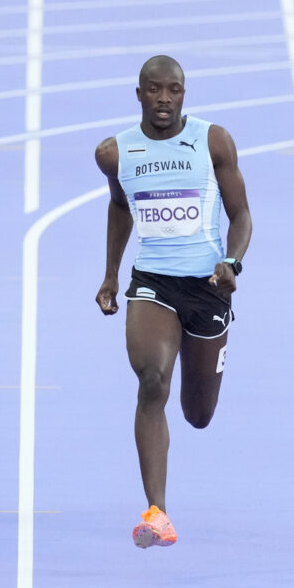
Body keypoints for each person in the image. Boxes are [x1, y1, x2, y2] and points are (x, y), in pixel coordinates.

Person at [94, 55, 252, 547]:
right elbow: (120, 206)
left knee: (198, 414)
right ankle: (157, 513)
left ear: (185, 94)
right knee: (151, 382)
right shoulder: (115, 152)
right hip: (152, 283)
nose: (164, 99)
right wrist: (110, 275)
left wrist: (232, 262)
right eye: (154, 90)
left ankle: (199, 372)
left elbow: (242, 214)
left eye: (174, 90)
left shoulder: (212, 141)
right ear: (138, 94)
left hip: (206, 286)